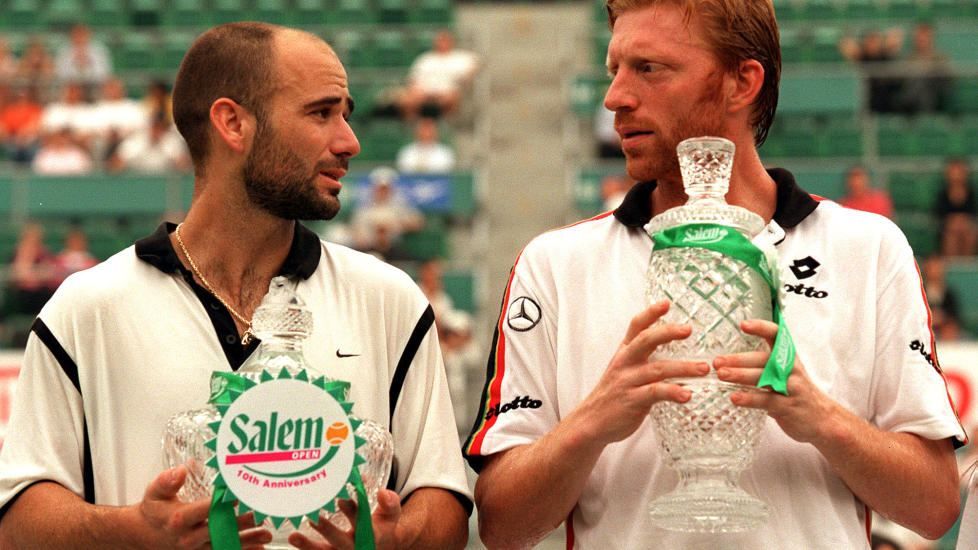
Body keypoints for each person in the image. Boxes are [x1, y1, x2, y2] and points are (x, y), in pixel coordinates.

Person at [464, 1, 964, 549]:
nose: (615, 98)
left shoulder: (866, 248)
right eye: (614, 70)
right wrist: (592, 422)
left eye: (649, 68)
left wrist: (822, 418)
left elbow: (935, 507)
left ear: (741, 82)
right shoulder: (555, 263)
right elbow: (500, 527)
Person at [0, 21, 470, 549]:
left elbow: (444, 502)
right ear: (232, 124)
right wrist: (129, 532)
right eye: (321, 113)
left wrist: (398, 538)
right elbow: (18, 521)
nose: (350, 141)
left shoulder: (392, 301)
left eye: (347, 115)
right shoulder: (86, 308)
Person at [396, 29, 479, 120]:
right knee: (406, 100)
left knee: (449, 99)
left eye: (445, 40)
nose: (442, 43)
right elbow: (413, 79)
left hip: (447, 92)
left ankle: (444, 126)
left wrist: (468, 75)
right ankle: (415, 126)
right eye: (440, 40)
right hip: (424, 92)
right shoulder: (425, 59)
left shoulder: (460, 58)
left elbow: (478, 63)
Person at [350, 166, 426, 261]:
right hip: (369, 249)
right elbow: (356, 232)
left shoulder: (401, 205)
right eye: (380, 188)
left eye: (385, 188)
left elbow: (418, 223)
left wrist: (396, 226)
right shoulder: (364, 207)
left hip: (394, 249)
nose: (383, 191)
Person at [838, 27, 904, 113]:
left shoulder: (885, 57)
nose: (873, 44)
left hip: (887, 99)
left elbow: (897, 36)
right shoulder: (861, 58)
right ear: (865, 43)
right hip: (867, 100)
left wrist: (887, 45)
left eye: (875, 41)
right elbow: (845, 45)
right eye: (870, 41)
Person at [107, 113, 191, 174]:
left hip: (164, 185)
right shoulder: (136, 140)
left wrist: (170, 152)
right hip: (137, 183)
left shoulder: (171, 141)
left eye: (160, 127)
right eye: (155, 127)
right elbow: (114, 164)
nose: (157, 131)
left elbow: (185, 166)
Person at [935, 157, 976, 258]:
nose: (956, 175)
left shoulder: (972, 193)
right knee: (951, 236)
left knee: (970, 234)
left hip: (968, 230)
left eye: (959, 171)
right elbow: (939, 217)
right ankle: (952, 264)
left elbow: (974, 215)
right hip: (948, 231)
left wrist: (963, 222)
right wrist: (953, 222)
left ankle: (968, 266)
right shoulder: (942, 195)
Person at [53, 23, 112, 92]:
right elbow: (59, 73)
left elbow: (104, 73)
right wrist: (75, 65)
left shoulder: (98, 50)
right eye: (77, 35)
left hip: (95, 87)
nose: (79, 37)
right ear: (71, 36)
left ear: (88, 35)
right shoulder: (64, 51)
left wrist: (87, 63)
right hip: (70, 87)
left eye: (82, 35)